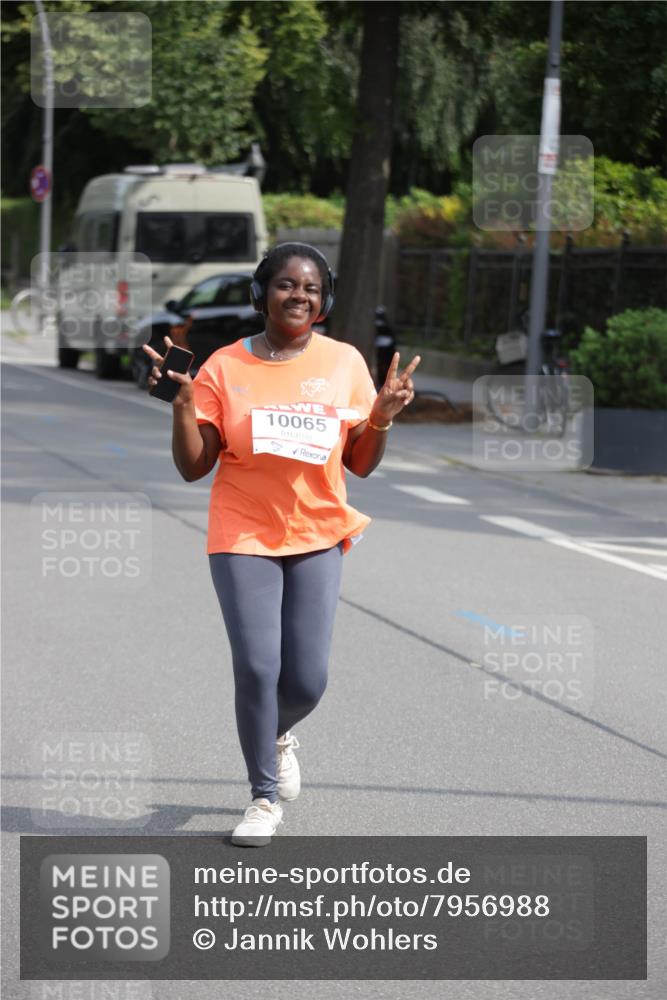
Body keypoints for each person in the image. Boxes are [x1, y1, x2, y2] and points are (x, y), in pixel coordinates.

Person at [143, 242, 420, 846]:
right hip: (242, 531)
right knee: (256, 666)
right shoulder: (223, 367)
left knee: (306, 680)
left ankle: (273, 733)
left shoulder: (345, 362)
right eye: (287, 285)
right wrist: (184, 406)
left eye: (312, 289)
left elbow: (360, 464)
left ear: (324, 303)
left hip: (318, 532)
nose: (300, 296)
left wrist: (382, 417)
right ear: (261, 294)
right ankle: (262, 798)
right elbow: (196, 466)